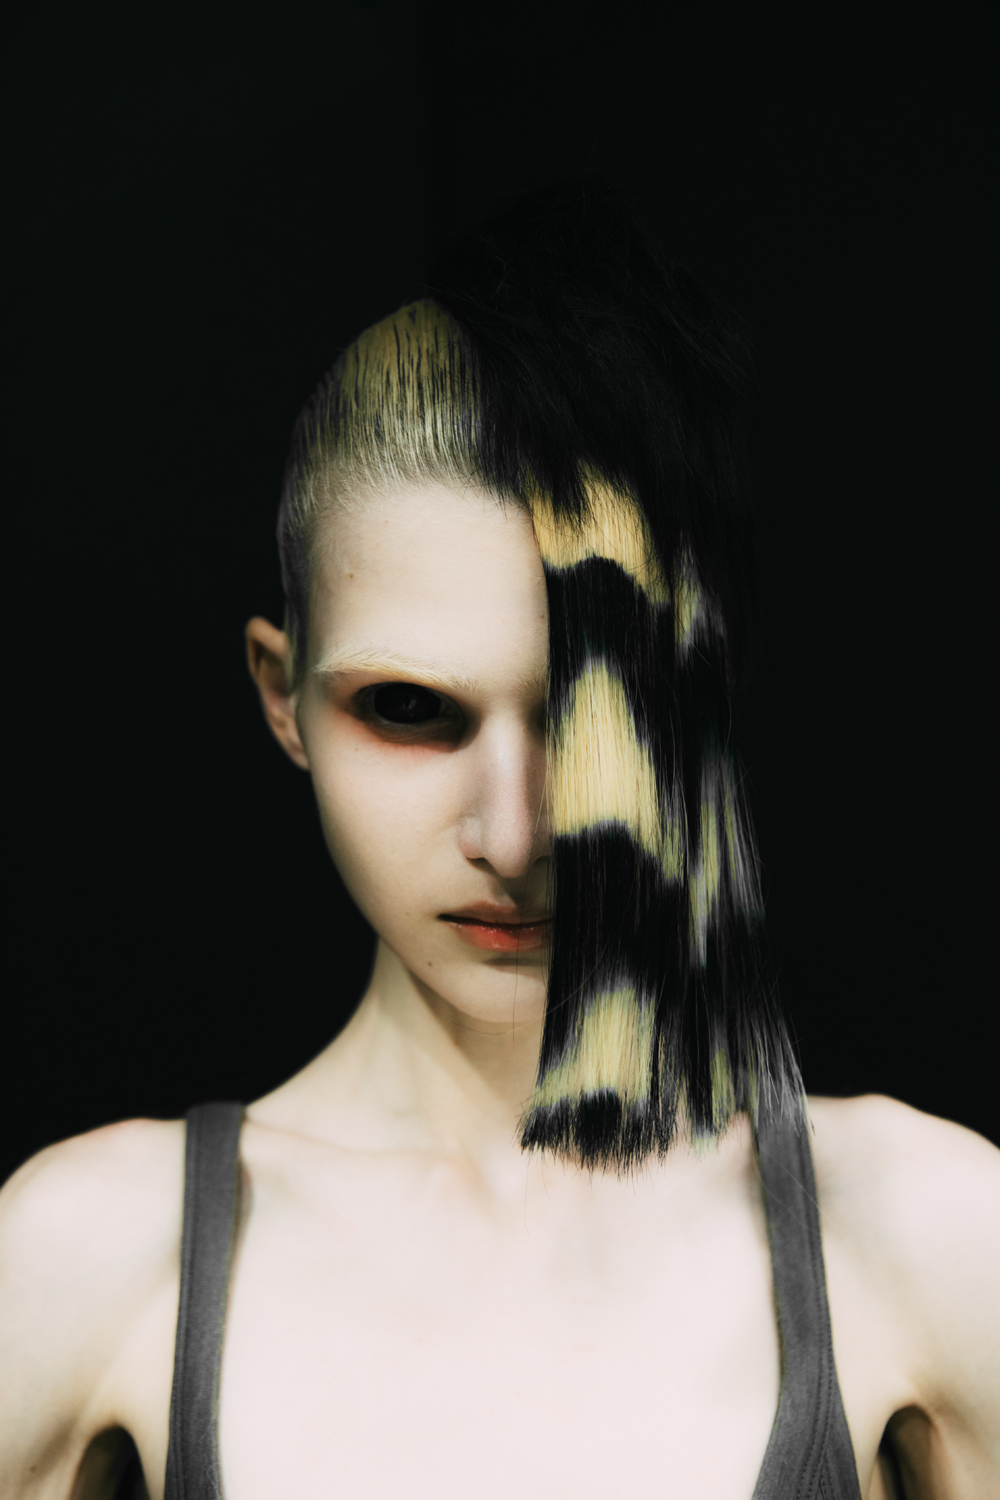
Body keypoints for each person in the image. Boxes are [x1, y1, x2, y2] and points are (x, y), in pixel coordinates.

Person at [1, 182, 998, 1500]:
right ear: (282, 698)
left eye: (593, 708)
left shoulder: (930, 1233)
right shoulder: (86, 1259)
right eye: (410, 710)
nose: (515, 834)